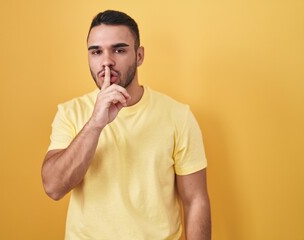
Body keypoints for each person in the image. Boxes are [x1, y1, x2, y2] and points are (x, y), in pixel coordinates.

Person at [41, 10, 211, 240]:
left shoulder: (178, 116)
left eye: (119, 50)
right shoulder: (70, 112)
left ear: (139, 56)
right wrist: (95, 124)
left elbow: (195, 201)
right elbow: (53, 187)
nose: (106, 61)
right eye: (96, 52)